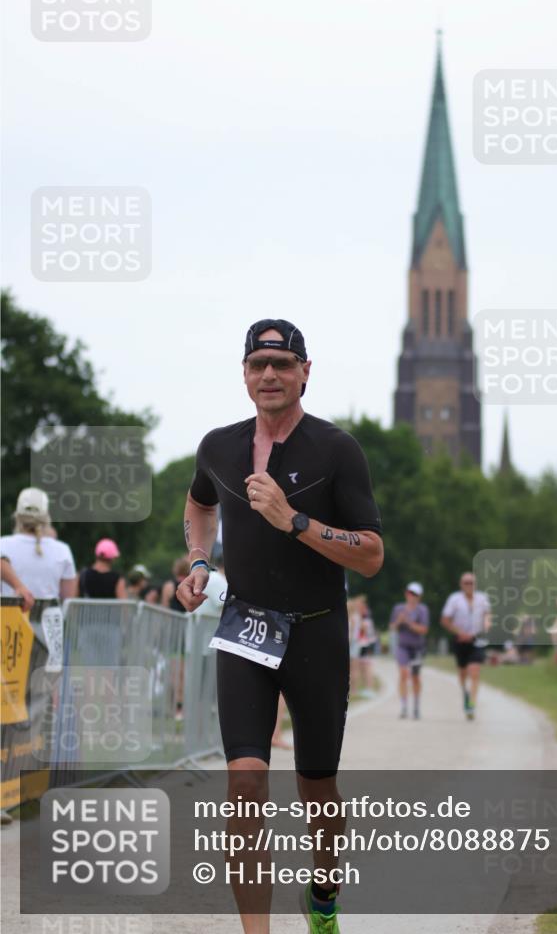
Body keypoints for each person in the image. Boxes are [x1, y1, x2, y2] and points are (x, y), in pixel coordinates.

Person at [175, 318, 383, 932]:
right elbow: (199, 501)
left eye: (283, 364)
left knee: (318, 791)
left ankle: (323, 897)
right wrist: (198, 562)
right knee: (243, 786)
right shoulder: (218, 446)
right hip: (246, 631)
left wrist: (293, 520)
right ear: (244, 374)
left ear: (305, 373)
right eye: (258, 364)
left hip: (317, 633)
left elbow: (370, 554)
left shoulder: (337, 450)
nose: (270, 375)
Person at [0, 488, 76, 603]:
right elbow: (68, 599)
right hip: (49, 619)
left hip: (11, 619)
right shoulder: (63, 550)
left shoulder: (3, 544)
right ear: (46, 517)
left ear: (17, 516)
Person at [440, 572, 491, 720]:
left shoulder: (483, 598)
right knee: (462, 673)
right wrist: (459, 632)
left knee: (474, 671)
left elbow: (488, 615)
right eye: (466, 583)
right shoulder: (454, 599)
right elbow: (445, 619)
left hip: (476, 640)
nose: (469, 585)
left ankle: (472, 704)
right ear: (461, 584)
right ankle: (465, 693)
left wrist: (487, 624)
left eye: (471, 583)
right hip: (460, 640)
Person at [389, 582, 430, 720]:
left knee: (415, 677)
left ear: (419, 597)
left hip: (417, 648)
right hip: (403, 647)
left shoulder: (422, 610)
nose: (412, 596)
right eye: (410, 593)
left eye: (415, 594)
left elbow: (423, 630)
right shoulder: (398, 608)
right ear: (406, 594)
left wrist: (409, 623)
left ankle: (416, 706)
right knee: (403, 674)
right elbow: (392, 627)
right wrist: (399, 621)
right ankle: (404, 706)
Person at [357, 596, 377, 698]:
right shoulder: (363, 619)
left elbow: (367, 634)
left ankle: (369, 688)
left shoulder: (366, 620)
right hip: (363, 645)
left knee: (367, 668)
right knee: (362, 668)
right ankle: (366, 688)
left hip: (367, 645)